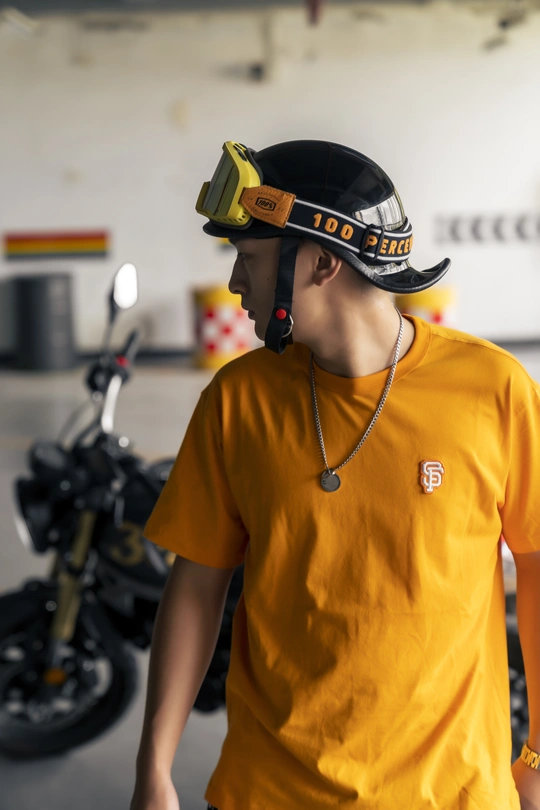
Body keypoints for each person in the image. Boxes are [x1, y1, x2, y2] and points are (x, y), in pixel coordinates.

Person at [129, 140, 540, 810]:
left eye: (249, 258)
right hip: (267, 791)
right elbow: (197, 587)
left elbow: (538, 568)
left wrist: (538, 755)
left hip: (451, 794)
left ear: (321, 262)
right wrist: (154, 769)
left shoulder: (493, 388)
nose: (234, 283)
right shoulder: (238, 400)